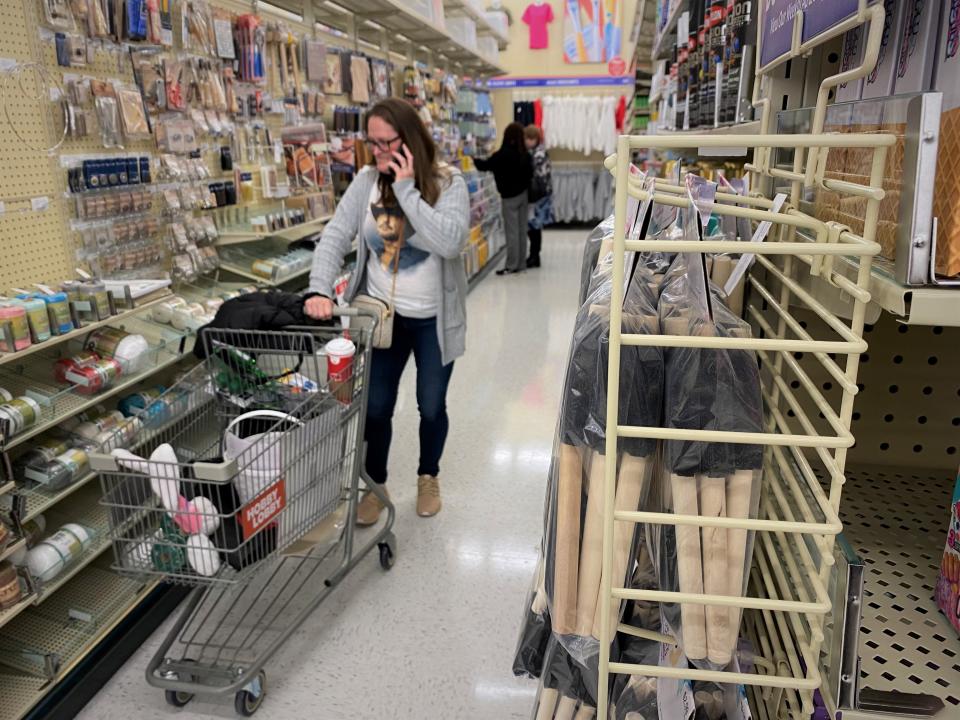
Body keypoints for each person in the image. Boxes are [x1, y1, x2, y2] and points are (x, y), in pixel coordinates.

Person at [305, 98, 470, 526]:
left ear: (410, 139)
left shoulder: (448, 183)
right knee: (375, 407)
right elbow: (336, 235)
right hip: (380, 318)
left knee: (431, 406)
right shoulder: (364, 181)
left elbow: (450, 241)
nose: (377, 152)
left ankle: (428, 476)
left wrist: (407, 190)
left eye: (386, 143)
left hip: (433, 320)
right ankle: (375, 486)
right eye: (372, 143)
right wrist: (319, 287)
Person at [474, 122, 533, 275]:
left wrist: (472, 157)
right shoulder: (525, 154)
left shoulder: (503, 154)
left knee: (512, 232)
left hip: (509, 198)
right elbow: (530, 174)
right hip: (523, 196)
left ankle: (511, 265)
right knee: (521, 231)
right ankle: (521, 264)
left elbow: (484, 165)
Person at [524, 125, 553, 268]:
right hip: (542, 193)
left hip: (538, 195)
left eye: (528, 139)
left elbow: (539, 175)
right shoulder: (539, 151)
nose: (526, 142)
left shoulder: (537, 154)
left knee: (534, 226)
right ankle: (534, 255)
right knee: (535, 226)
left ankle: (534, 256)